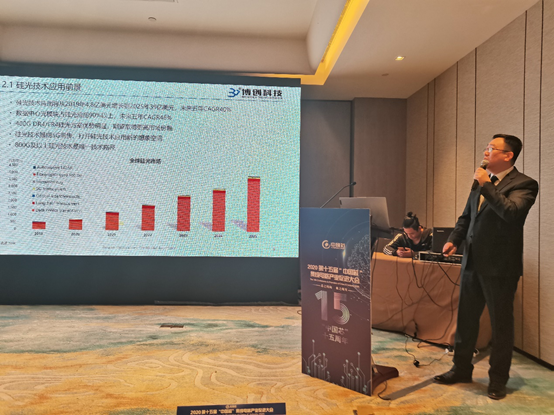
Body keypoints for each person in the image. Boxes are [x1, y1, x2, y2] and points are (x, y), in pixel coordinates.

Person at [434, 134, 538, 400]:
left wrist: (487, 185)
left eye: (492, 148)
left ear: (508, 155)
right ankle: (460, 370)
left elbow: (511, 213)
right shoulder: (481, 181)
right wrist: (454, 239)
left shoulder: (525, 184)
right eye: (486, 147)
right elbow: (467, 216)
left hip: (500, 267)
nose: (486, 151)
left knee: (501, 325)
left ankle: (497, 380)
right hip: (472, 262)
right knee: (466, 320)